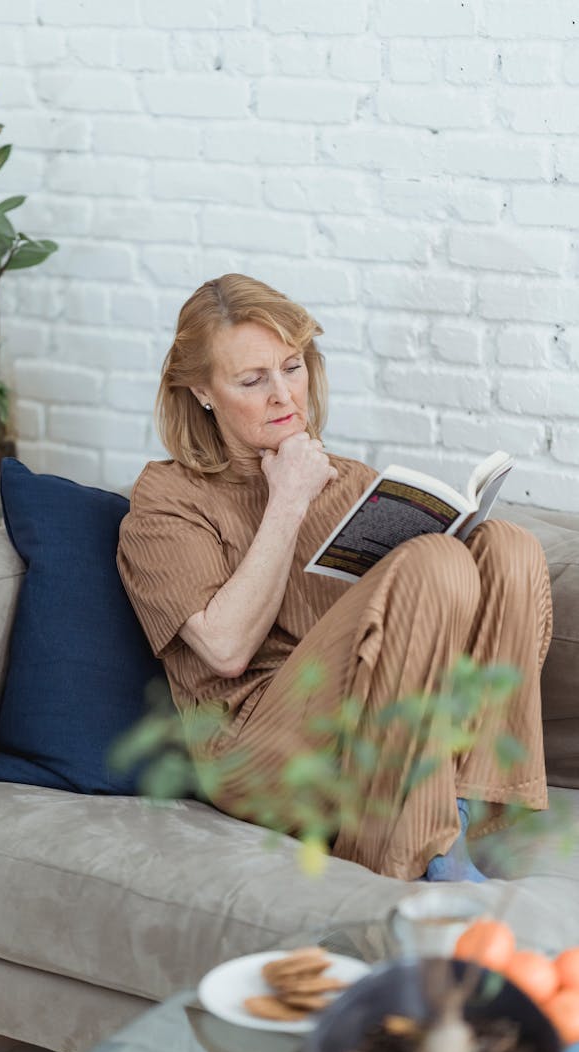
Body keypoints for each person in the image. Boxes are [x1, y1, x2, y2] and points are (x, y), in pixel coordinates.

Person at [117, 273, 552, 882]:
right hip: (250, 751)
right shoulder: (166, 499)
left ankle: (460, 806)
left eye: (292, 368)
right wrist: (286, 502)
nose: (283, 397)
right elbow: (224, 648)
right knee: (435, 561)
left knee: (508, 546)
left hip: (359, 726)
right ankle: (417, 849)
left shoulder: (348, 480)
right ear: (201, 392)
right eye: (252, 380)